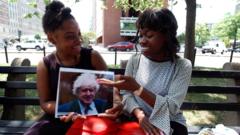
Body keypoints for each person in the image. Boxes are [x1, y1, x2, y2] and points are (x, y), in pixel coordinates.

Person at [98, 8, 192, 135]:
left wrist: (138, 89)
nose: (142, 41)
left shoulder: (182, 66)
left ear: (166, 36)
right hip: (137, 117)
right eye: (141, 35)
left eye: (149, 36)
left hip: (170, 122)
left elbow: (171, 108)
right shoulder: (135, 60)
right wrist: (139, 114)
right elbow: (127, 95)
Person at [24, 1, 107, 135]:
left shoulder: (93, 57)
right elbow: (45, 103)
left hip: (92, 118)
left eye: (78, 34)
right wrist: (68, 111)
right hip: (59, 119)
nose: (79, 40)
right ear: (52, 38)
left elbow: (108, 90)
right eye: (70, 37)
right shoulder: (45, 65)